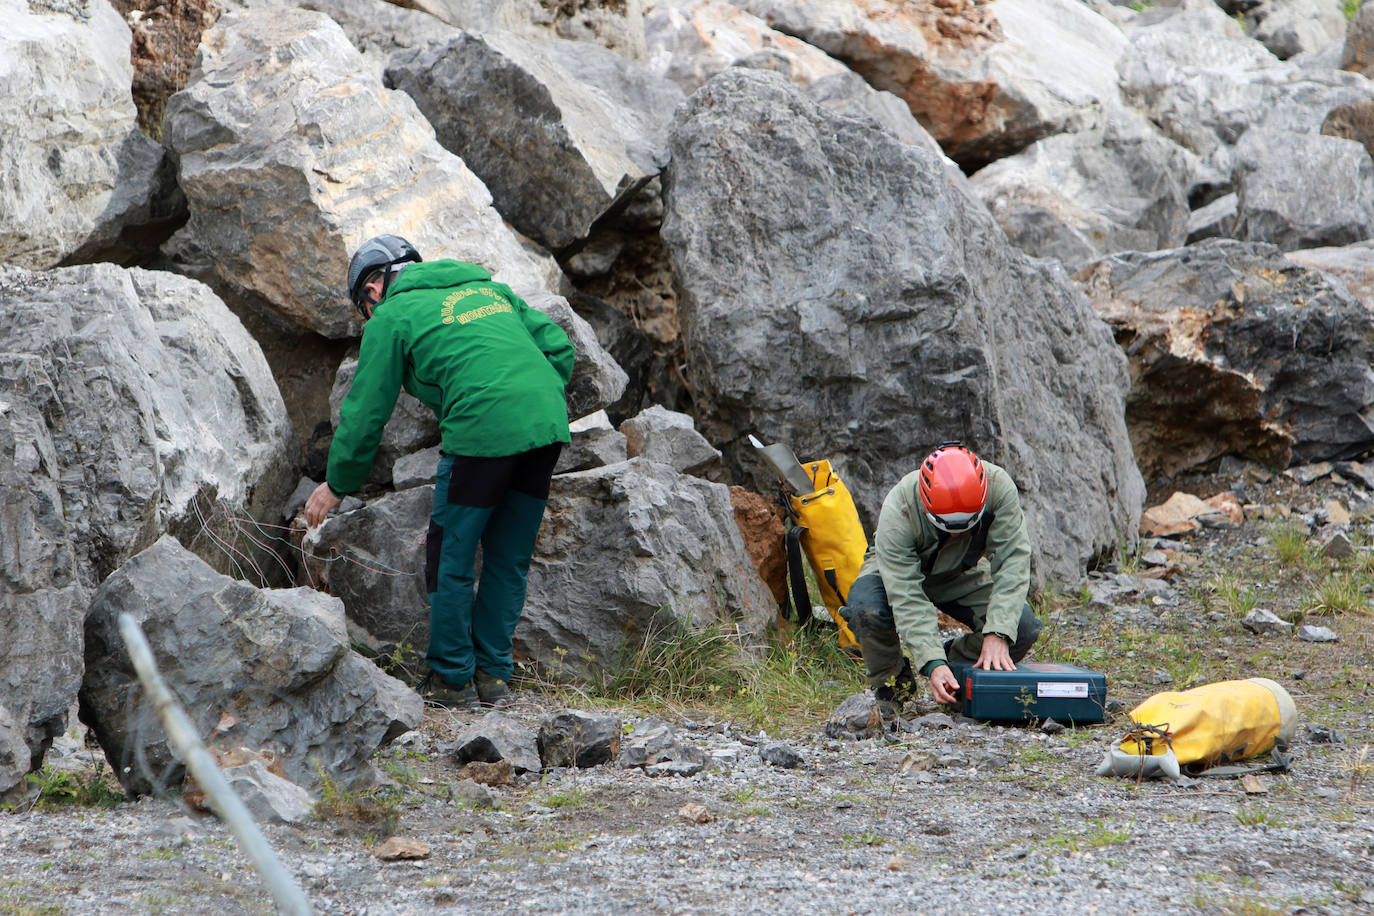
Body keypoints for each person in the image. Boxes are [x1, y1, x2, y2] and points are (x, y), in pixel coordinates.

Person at [304, 235, 575, 710]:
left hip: (481, 432)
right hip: (545, 426)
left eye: (362, 307)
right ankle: (493, 678)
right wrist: (530, 397)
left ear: (372, 289)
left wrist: (338, 484)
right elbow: (558, 347)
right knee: (508, 559)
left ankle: (452, 681)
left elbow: (367, 413)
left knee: (450, 557)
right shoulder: (490, 292)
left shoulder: (391, 316)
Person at [842, 443, 1041, 710]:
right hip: (892, 568)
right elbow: (906, 595)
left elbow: (1013, 563)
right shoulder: (899, 508)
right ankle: (893, 686)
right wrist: (932, 664)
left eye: (966, 526)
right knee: (865, 609)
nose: (958, 533)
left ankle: (955, 663)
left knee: (1022, 628)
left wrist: (997, 632)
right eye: (949, 527)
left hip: (959, 570)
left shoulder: (999, 488)